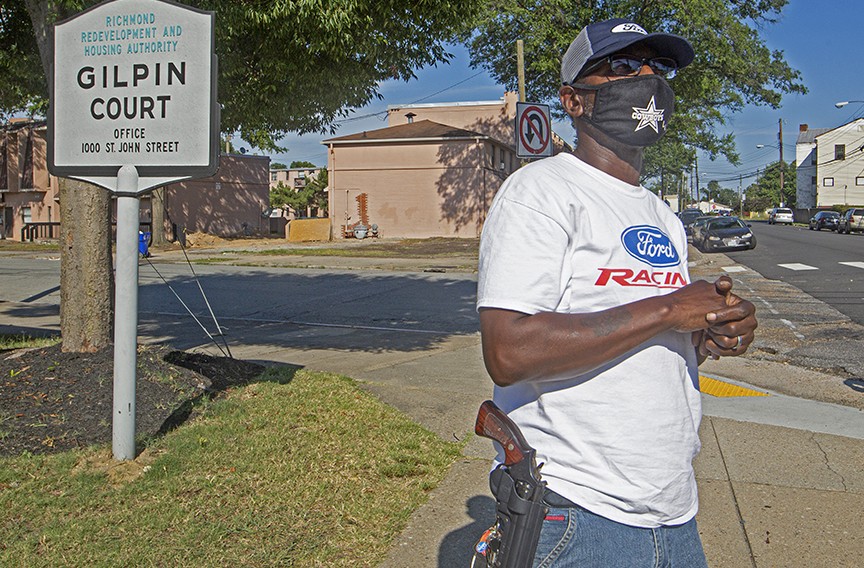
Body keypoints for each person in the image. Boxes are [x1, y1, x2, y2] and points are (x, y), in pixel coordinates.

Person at [476, 17, 758, 567]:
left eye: (659, 66)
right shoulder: (540, 191)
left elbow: (651, 340)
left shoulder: (662, 215)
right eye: (624, 65)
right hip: (576, 509)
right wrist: (670, 307)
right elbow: (508, 352)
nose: (647, 78)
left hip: (672, 507)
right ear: (573, 101)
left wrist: (709, 334)